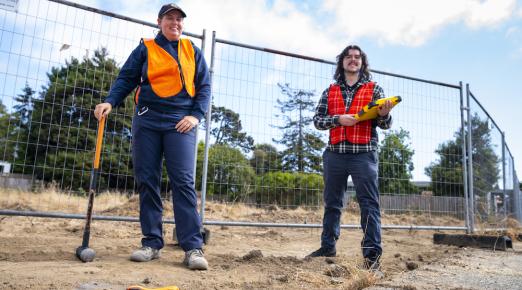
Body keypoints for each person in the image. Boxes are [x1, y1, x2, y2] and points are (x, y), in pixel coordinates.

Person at [93, 3, 210, 270]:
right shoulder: (145, 48)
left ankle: (192, 247)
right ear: (159, 22)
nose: (176, 23)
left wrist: (196, 116)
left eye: (180, 20)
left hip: (181, 122)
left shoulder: (193, 50)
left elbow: (204, 87)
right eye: (170, 18)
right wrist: (110, 101)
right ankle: (152, 243)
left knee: (183, 182)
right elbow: (126, 78)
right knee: (147, 180)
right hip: (147, 119)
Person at [308, 44, 393, 272]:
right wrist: (337, 119)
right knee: (332, 203)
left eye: (357, 57)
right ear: (342, 62)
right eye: (348, 57)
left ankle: (372, 256)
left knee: (369, 204)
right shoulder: (330, 90)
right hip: (335, 154)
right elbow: (317, 120)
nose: (353, 60)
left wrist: (385, 114)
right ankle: (328, 247)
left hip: (363, 155)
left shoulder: (374, 90)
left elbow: (384, 124)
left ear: (362, 63)